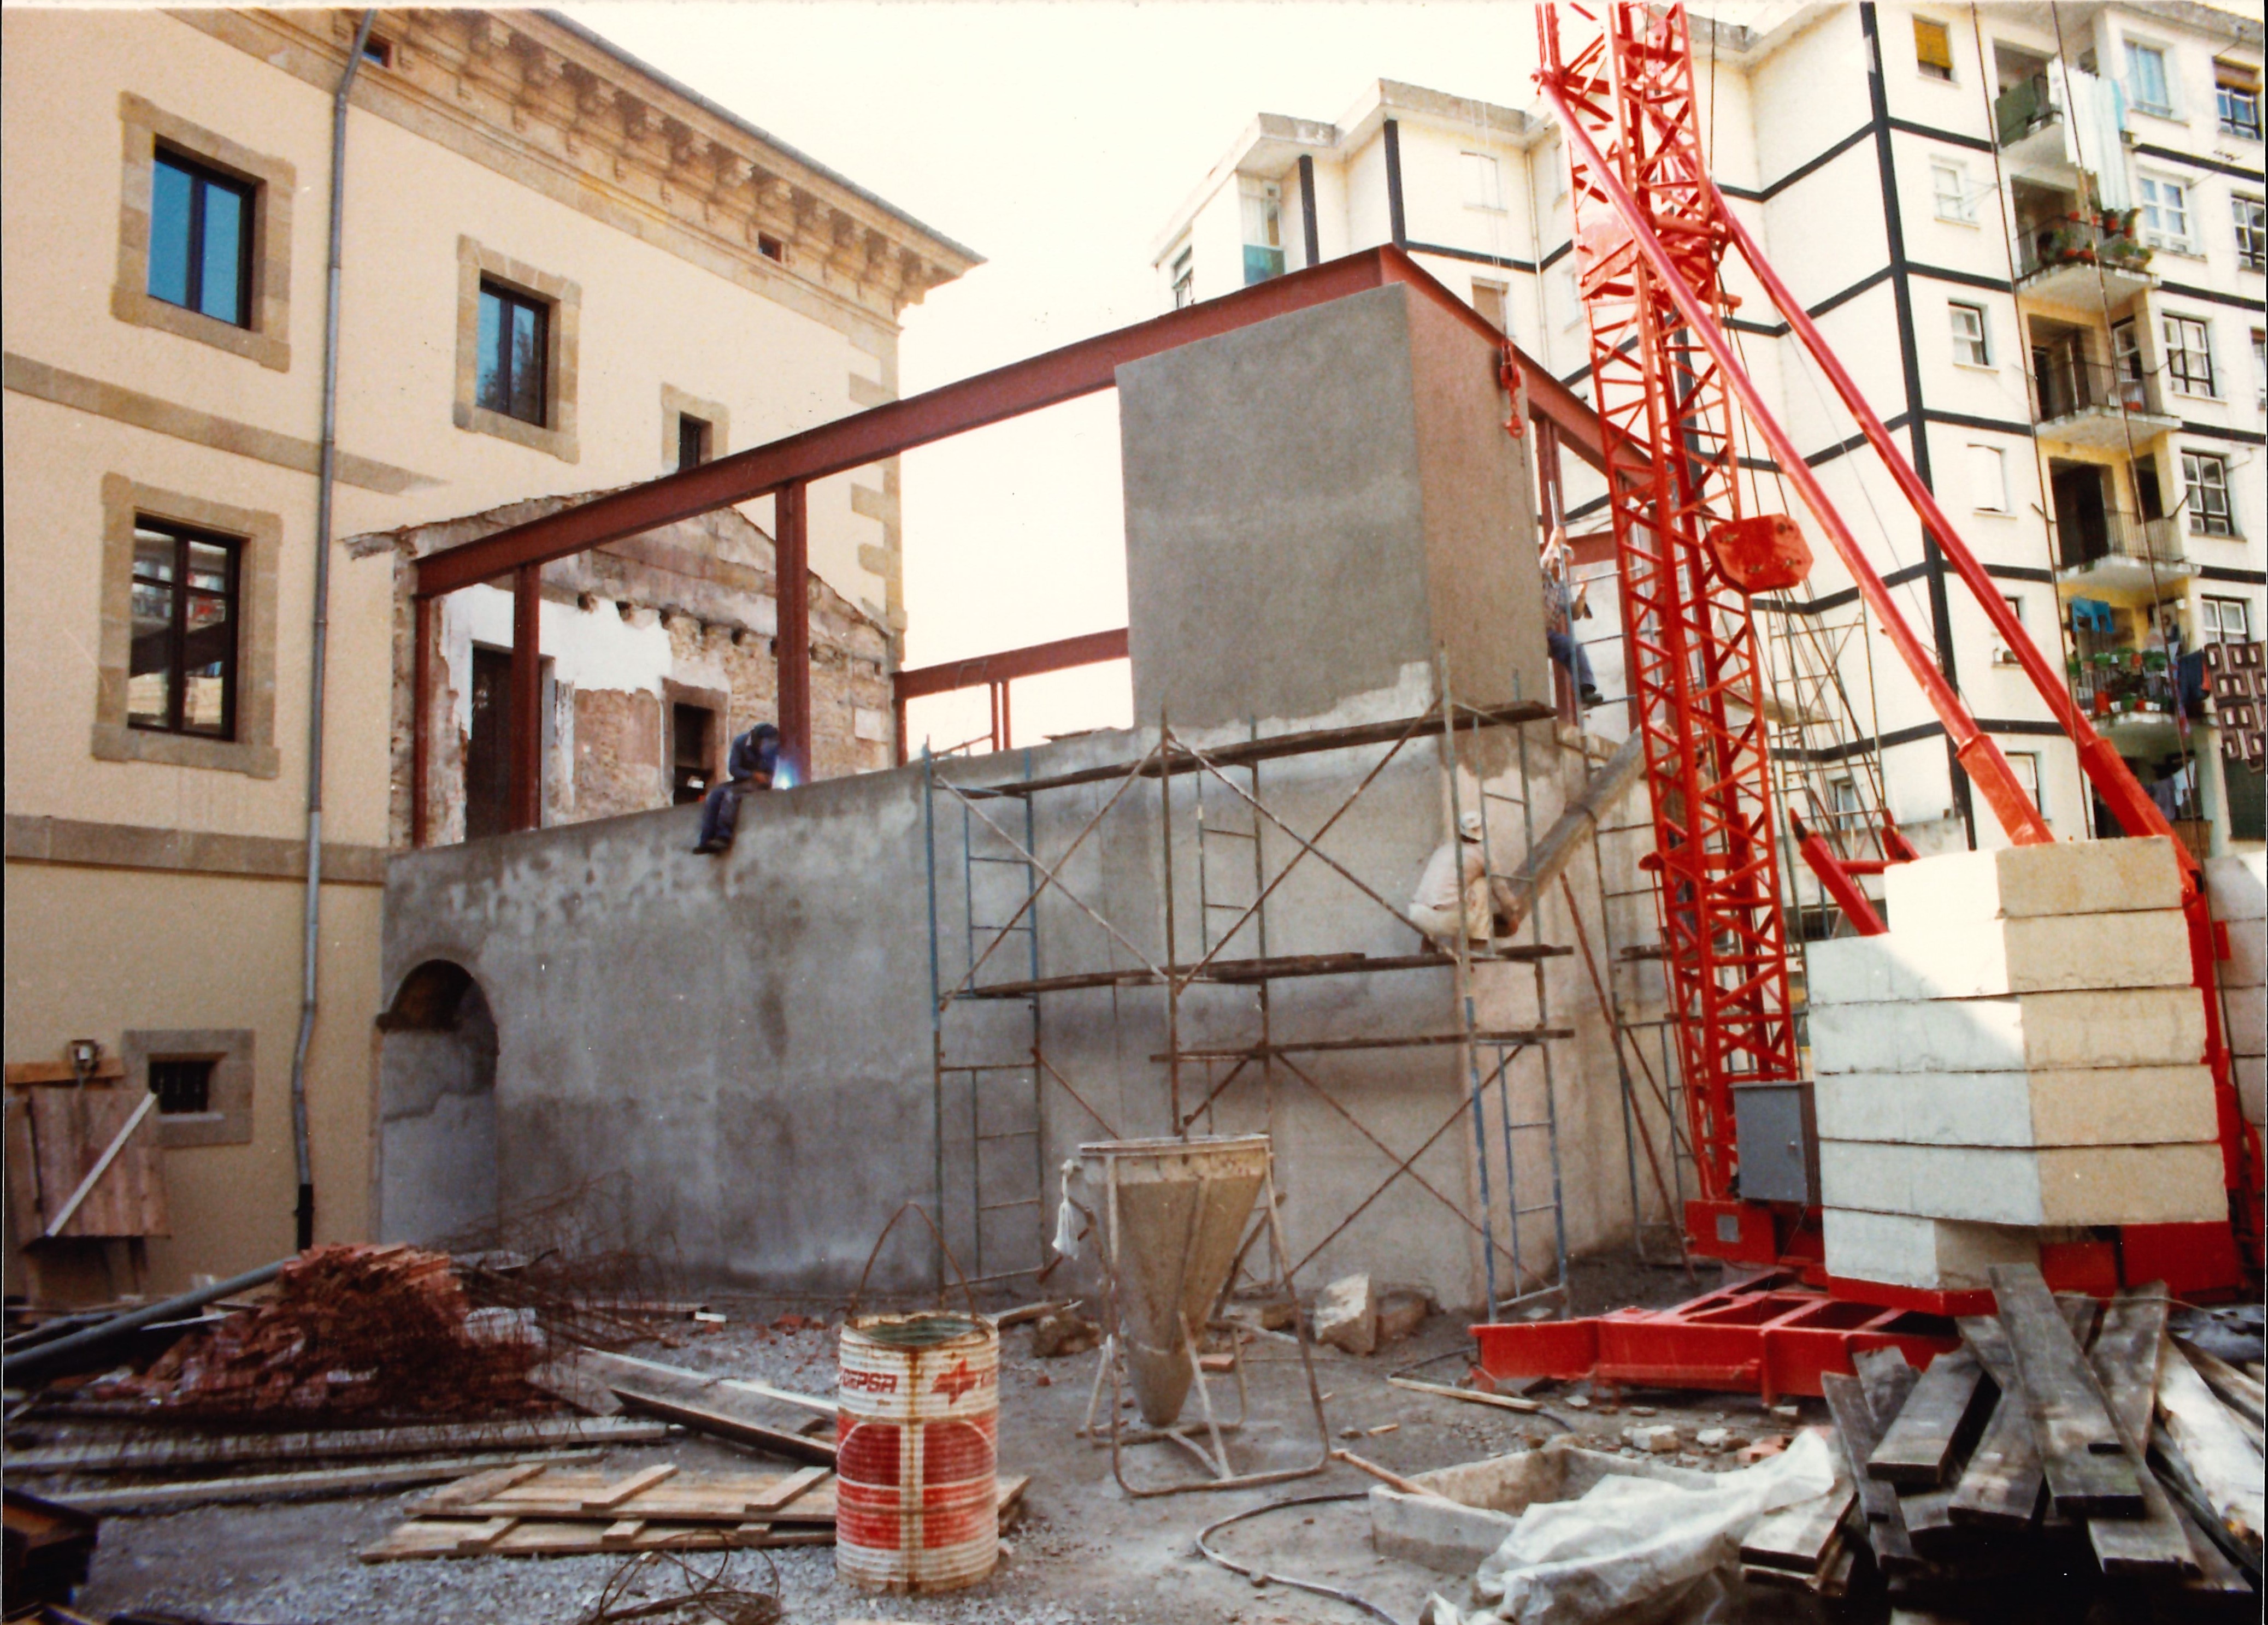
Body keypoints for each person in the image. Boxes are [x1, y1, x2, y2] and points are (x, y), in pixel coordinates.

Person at [1410, 811, 1499, 948]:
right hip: (1451, 920)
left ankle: (1428, 940)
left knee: (1439, 884)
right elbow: (1501, 890)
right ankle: (1478, 940)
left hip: (1418, 915)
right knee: (1482, 882)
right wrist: (1512, 915)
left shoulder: (1442, 850)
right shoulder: (1484, 855)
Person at [693, 721, 781, 854]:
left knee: (731, 795)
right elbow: (734, 769)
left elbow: (770, 772)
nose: (766, 747)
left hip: (759, 785)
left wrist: (763, 778)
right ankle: (706, 840)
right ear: (757, 740)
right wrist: (752, 774)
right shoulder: (740, 742)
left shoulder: (773, 747)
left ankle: (724, 836)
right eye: (764, 743)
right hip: (741, 780)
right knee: (714, 795)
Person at [1541, 527, 1603, 707]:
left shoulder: (1561, 587)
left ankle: (1586, 691)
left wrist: (1582, 593)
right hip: (1530, 628)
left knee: (1574, 648)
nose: (1563, 568)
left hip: (1547, 632)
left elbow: (1574, 614)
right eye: (1562, 563)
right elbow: (1545, 562)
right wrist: (1554, 542)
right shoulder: (1542, 575)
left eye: (1567, 565)